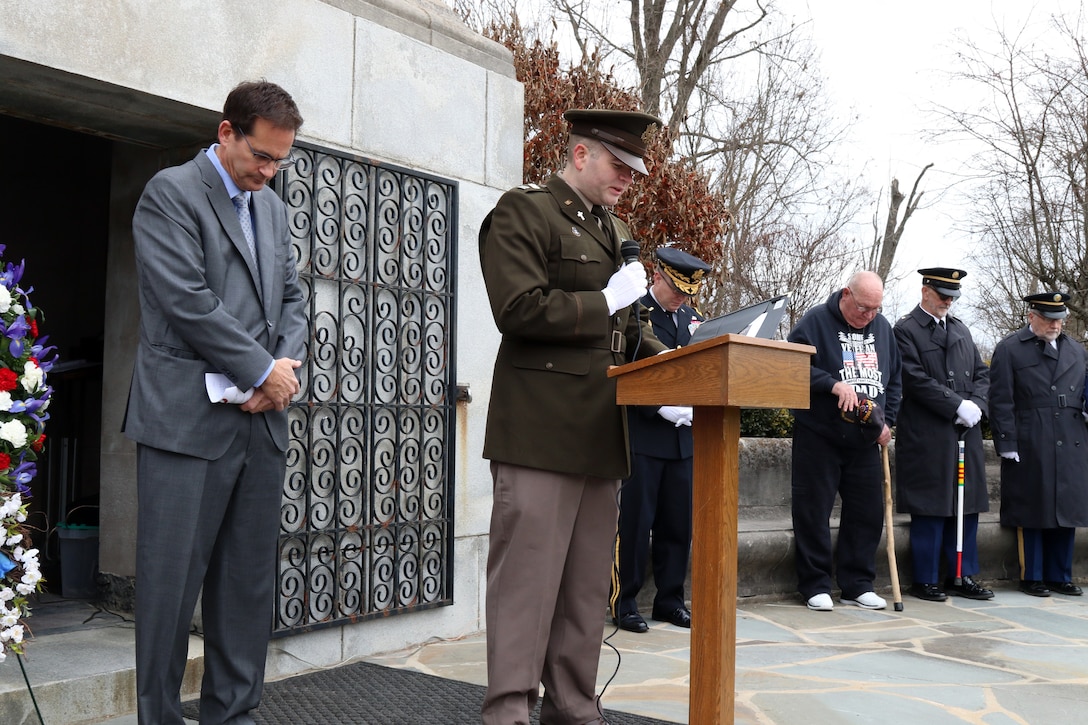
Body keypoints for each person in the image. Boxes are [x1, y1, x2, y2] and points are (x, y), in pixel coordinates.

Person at [124, 80, 307, 724]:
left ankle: (233, 717)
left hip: (260, 427)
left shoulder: (274, 207)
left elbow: (292, 298)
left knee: (246, 590)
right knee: (170, 595)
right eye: (262, 156)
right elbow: (187, 301)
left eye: (281, 160)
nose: (270, 171)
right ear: (226, 132)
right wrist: (262, 370)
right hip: (185, 426)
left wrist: (278, 373)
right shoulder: (170, 193)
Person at [478, 108, 668, 725]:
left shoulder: (613, 230)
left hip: (598, 435)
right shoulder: (523, 211)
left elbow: (631, 332)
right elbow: (518, 309)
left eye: (635, 170)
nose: (628, 179)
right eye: (620, 164)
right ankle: (509, 711)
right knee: (525, 587)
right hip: (540, 432)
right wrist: (604, 299)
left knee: (587, 591)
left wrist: (676, 376)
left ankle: (573, 707)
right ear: (581, 154)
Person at [787, 271, 901, 611]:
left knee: (867, 512)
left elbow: (894, 379)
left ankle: (857, 583)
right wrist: (832, 384)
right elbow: (791, 367)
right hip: (818, 435)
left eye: (876, 309)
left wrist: (889, 422)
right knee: (813, 510)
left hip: (866, 438)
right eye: (863, 307)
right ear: (845, 294)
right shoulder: (815, 322)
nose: (869, 315)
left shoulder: (882, 328)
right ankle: (814, 584)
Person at [610, 247, 711, 633]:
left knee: (677, 525)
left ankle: (670, 600)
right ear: (658, 277)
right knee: (635, 526)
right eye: (677, 290)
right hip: (645, 435)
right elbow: (626, 369)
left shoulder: (693, 320)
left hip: (684, 440)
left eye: (688, 293)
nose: (682, 298)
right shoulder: (636, 313)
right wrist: (660, 408)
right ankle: (625, 601)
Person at [893, 268, 993, 602]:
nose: (948, 302)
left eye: (952, 297)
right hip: (929, 434)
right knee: (931, 508)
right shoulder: (906, 330)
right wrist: (955, 405)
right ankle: (925, 578)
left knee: (966, 509)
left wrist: (976, 404)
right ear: (925, 292)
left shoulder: (961, 329)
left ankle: (962, 574)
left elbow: (981, 373)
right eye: (942, 296)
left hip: (965, 432)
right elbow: (914, 379)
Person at [989, 292, 1088, 597]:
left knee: (1066, 508)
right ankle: (1031, 575)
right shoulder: (1010, 349)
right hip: (1032, 435)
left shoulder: (1076, 350)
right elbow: (1001, 399)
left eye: (1059, 318)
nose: (1054, 324)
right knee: (1033, 507)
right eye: (1048, 318)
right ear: (1032, 315)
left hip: (1071, 435)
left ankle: (1060, 574)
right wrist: (1006, 441)